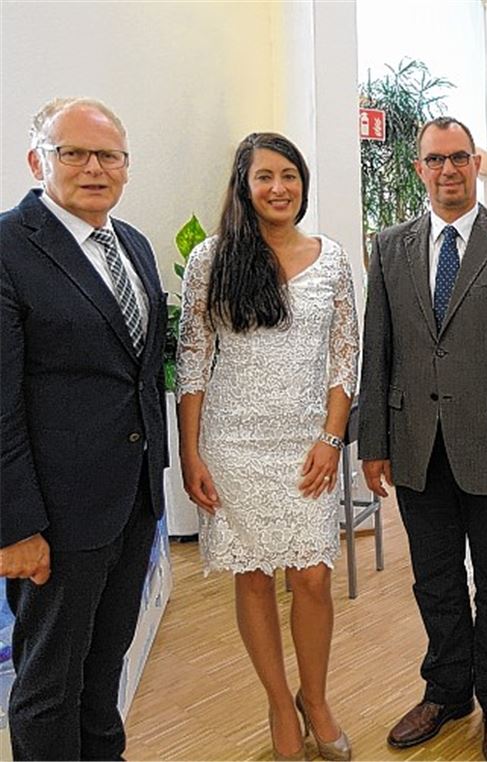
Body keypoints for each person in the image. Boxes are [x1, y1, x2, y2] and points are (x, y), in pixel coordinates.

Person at [358, 116, 487, 762]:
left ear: (477, 165)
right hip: (416, 446)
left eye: (460, 158)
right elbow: (377, 351)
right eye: (436, 159)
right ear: (420, 169)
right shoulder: (388, 247)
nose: (448, 170)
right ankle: (447, 690)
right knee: (434, 579)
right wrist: (373, 443)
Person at [175, 132, 358, 761]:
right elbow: (193, 361)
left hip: (308, 443)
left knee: (312, 577)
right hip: (231, 443)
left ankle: (317, 697)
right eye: (264, 177)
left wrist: (332, 439)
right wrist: (191, 452)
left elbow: (345, 359)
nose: (278, 187)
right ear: (244, 186)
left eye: (289, 175)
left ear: (302, 184)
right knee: (251, 579)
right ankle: (281, 705)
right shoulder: (210, 259)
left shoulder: (332, 259)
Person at [0, 97, 167, 760]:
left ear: (126, 167)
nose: (94, 168)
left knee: (104, 673)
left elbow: (137, 374)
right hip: (54, 516)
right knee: (48, 685)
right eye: (74, 152)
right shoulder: (9, 247)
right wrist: (13, 524)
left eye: (109, 156)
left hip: (130, 503)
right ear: (37, 158)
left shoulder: (133, 244)